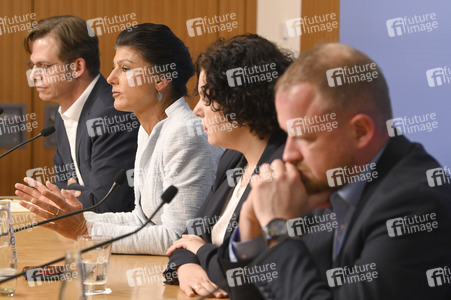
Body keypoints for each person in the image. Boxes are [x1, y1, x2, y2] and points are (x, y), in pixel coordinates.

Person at [217, 43, 451, 299]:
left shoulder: (414, 204)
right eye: (287, 134)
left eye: (304, 137)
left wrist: (277, 230)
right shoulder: (327, 183)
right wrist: (251, 226)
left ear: (360, 132)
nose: (288, 155)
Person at [16, 23, 223, 255]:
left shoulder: (184, 132)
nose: (111, 78)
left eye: (125, 68)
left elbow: (178, 237)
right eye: (114, 67)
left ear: (161, 79)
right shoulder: (150, 130)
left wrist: (84, 230)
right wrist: (73, 219)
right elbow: (141, 218)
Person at [163, 34, 293, 298]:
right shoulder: (232, 159)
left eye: (206, 98)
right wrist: (187, 266)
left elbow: (254, 276)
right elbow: (187, 239)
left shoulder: (283, 169)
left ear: (240, 100)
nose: (197, 109)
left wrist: (201, 252)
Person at [25, 15, 138, 213]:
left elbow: (107, 204)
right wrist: (71, 191)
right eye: (32, 66)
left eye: (44, 66)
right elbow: (59, 188)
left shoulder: (110, 114)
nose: (33, 75)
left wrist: (71, 191)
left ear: (77, 67)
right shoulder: (63, 115)